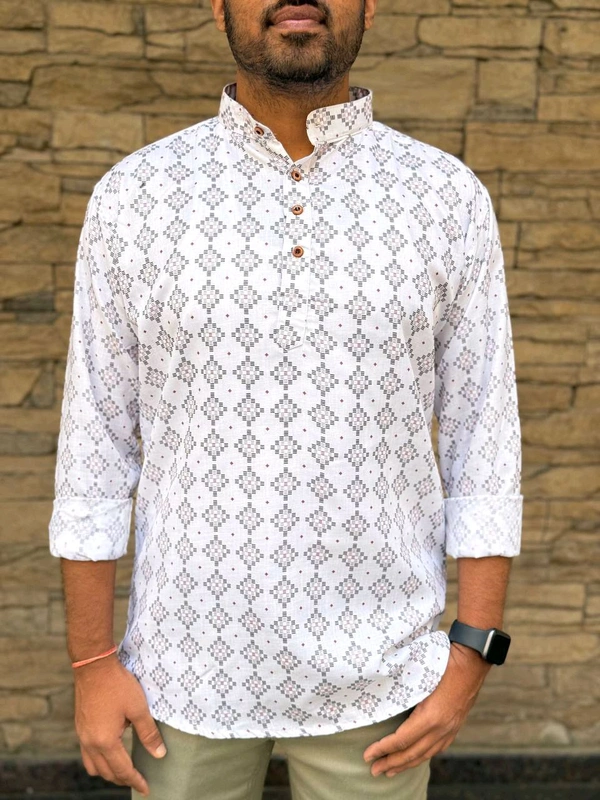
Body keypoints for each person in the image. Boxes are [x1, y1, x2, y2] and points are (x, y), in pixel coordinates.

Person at [48, 0, 524, 798]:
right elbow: (96, 444)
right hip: (184, 675)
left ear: (370, 5)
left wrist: (472, 652)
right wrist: (93, 662)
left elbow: (485, 437)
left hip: (380, 674)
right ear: (217, 5)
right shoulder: (138, 196)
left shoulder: (443, 197)